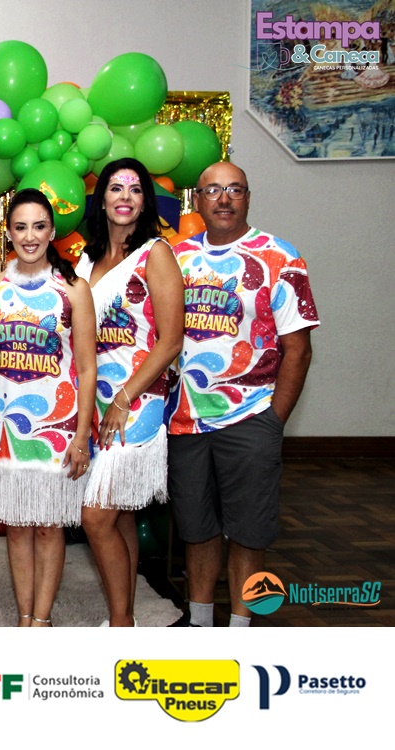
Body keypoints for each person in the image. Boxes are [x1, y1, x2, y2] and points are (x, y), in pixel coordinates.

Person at [168, 162, 318, 627]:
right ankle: (199, 623)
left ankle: (240, 628)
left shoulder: (280, 257)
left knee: (250, 533)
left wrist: (273, 421)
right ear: (197, 201)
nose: (224, 198)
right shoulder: (177, 258)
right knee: (196, 529)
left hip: (251, 417)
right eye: (213, 190)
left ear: (248, 198)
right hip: (186, 421)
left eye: (235, 189)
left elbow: (299, 349)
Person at [0, 189, 97, 627]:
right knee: (17, 526)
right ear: (8, 232)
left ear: (52, 232)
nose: (30, 236)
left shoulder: (73, 289)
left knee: (49, 526)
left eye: (39, 226)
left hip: (57, 428)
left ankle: (41, 620)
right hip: (5, 428)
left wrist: (82, 436)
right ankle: (24, 615)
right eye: (21, 227)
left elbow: (87, 367)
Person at [75, 158, 184, 627]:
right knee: (118, 516)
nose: (124, 196)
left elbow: (171, 341)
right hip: (94, 401)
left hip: (135, 401)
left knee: (95, 516)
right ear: (101, 200)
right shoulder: (87, 258)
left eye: (135, 189)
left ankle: (121, 626)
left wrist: (123, 399)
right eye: (115, 188)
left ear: (145, 202)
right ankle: (127, 615)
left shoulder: (156, 254)